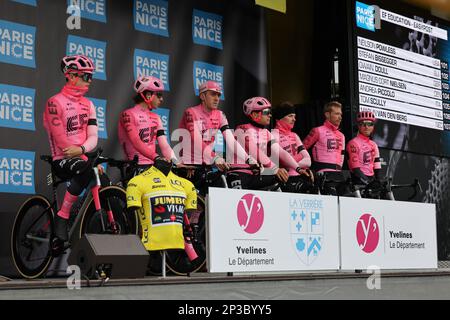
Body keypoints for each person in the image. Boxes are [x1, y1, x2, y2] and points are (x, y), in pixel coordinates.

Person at [43, 55, 98, 250]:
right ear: (72, 76)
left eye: (91, 76)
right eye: (86, 76)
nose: (89, 81)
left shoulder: (89, 104)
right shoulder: (54, 102)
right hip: (61, 159)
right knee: (85, 169)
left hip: (81, 156)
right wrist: (78, 152)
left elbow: (93, 136)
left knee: (104, 182)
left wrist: (82, 150)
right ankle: (63, 216)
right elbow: (61, 140)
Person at [178, 81, 256, 178]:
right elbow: (197, 140)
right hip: (189, 166)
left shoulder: (220, 115)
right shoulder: (190, 112)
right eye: (213, 94)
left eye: (218, 95)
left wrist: (248, 159)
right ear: (202, 96)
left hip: (207, 164)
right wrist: (215, 157)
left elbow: (231, 141)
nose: (217, 99)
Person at [228, 97, 305, 190]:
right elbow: (254, 151)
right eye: (266, 112)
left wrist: (299, 169)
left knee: (281, 178)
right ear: (254, 114)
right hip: (239, 173)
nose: (270, 115)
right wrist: (275, 169)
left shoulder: (266, 133)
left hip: (256, 173)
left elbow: (281, 152)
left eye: (270, 112)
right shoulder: (242, 129)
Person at [126, 157, 197, 254]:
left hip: (178, 243)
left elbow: (190, 215)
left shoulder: (188, 185)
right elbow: (133, 217)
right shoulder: (136, 182)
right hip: (149, 244)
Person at [118, 76, 181, 176]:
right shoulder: (128, 114)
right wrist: (156, 157)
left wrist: (176, 162)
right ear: (148, 95)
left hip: (153, 166)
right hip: (135, 167)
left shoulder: (156, 117)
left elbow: (164, 145)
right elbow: (136, 141)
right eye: (159, 95)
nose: (161, 99)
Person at [302, 101, 346, 195]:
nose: (340, 117)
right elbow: (301, 150)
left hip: (339, 175)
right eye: (337, 114)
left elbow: (342, 155)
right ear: (327, 114)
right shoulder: (317, 131)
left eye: (341, 114)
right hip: (323, 175)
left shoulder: (341, 135)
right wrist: (304, 168)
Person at [272, 101, 315, 193]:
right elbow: (275, 162)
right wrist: (299, 157)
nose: (294, 119)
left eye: (294, 116)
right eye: (290, 116)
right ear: (280, 118)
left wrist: (289, 163)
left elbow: (308, 161)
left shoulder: (295, 135)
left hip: (299, 177)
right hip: (284, 179)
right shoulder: (273, 134)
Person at [347, 111, 381, 185]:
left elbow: (377, 167)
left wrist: (378, 181)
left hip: (371, 180)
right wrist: (369, 183)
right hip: (358, 181)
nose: (366, 127)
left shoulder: (374, 144)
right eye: (363, 124)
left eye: (370, 124)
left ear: (373, 126)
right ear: (358, 126)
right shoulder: (353, 143)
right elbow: (355, 169)